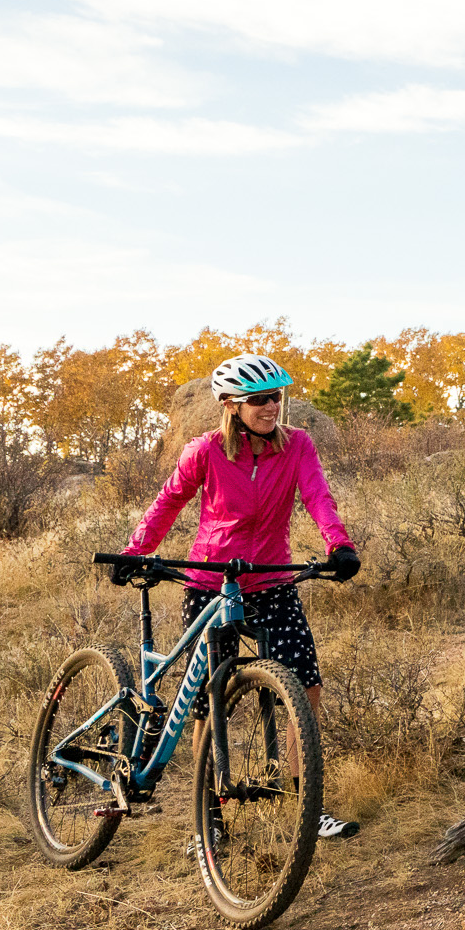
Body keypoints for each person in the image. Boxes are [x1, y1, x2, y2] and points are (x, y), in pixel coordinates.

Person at [121, 352, 365, 842]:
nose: (271, 406)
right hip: (212, 582)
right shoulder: (205, 451)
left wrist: (338, 544)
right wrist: (137, 550)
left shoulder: (297, 446)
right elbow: (169, 500)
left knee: (306, 687)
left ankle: (306, 804)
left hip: (271, 578)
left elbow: (318, 496)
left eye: (276, 396)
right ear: (231, 405)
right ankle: (205, 820)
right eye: (259, 400)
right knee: (207, 704)